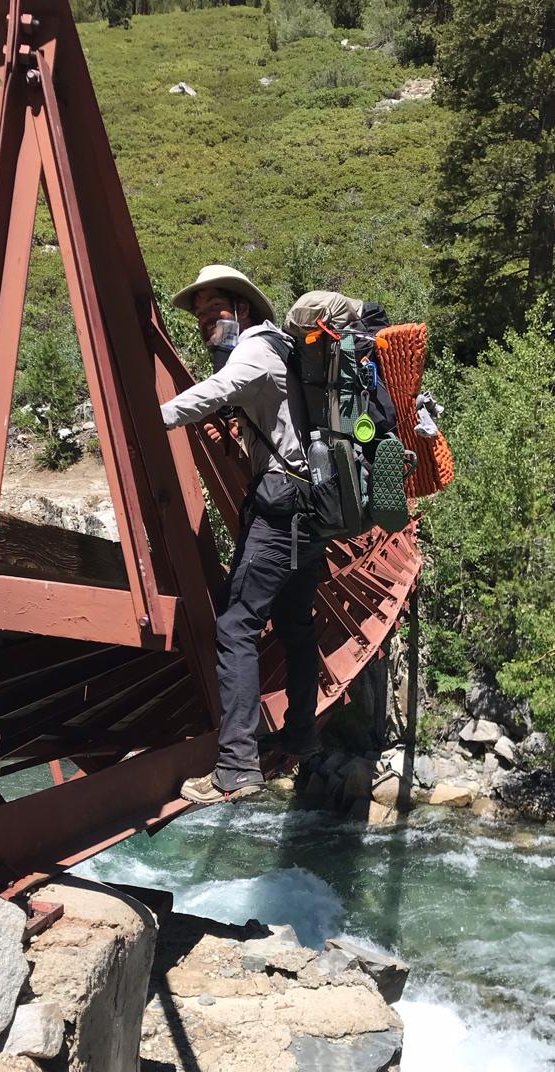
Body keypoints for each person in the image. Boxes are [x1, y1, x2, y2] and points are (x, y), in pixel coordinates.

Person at [160, 265, 326, 805]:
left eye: (215, 308)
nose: (206, 318)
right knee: (295, 624)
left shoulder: (253, 349)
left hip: (279, 508)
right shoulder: (280, 349)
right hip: (313, 508)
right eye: (201, 312)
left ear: (245, 311)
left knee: (235, 627)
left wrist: (147, 416)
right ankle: (301, 734)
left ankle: (235, 767)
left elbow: (218, 390)